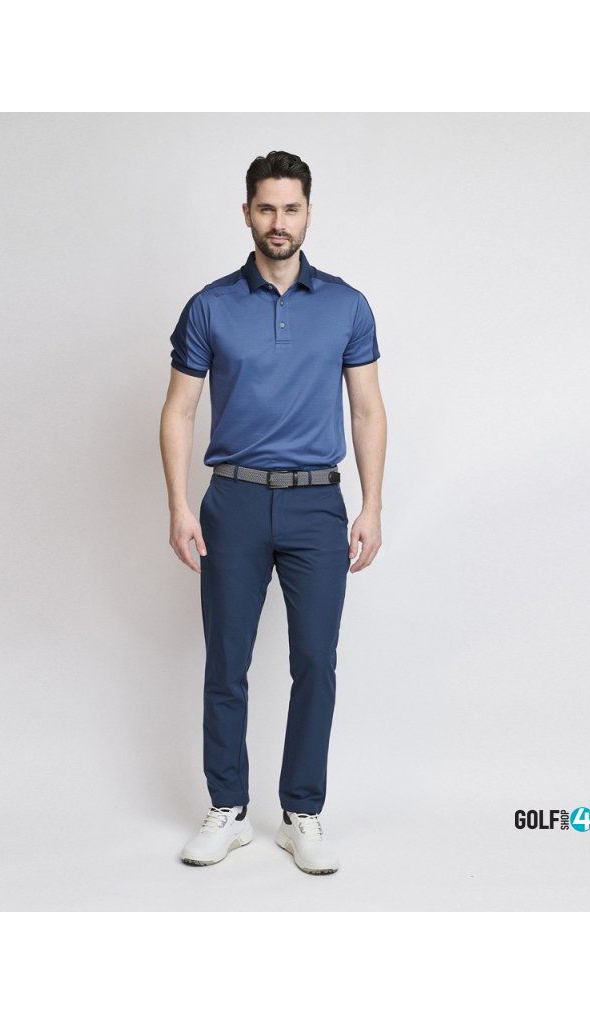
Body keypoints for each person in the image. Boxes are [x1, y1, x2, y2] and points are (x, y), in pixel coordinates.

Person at [159, 150, 387, 875]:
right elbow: (179, 409)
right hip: (232, 500)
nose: (278, 222)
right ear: (247, 213)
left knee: (316, 660)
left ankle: (301, 813)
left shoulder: (347, 306)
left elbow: (367, 409)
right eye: (266, 208)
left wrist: (372, 505)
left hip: (318, 503)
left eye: (291, 208)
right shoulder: (210, 306)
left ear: (308, 213)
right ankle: (228, 808)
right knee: (226, 660)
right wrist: (178, 504)